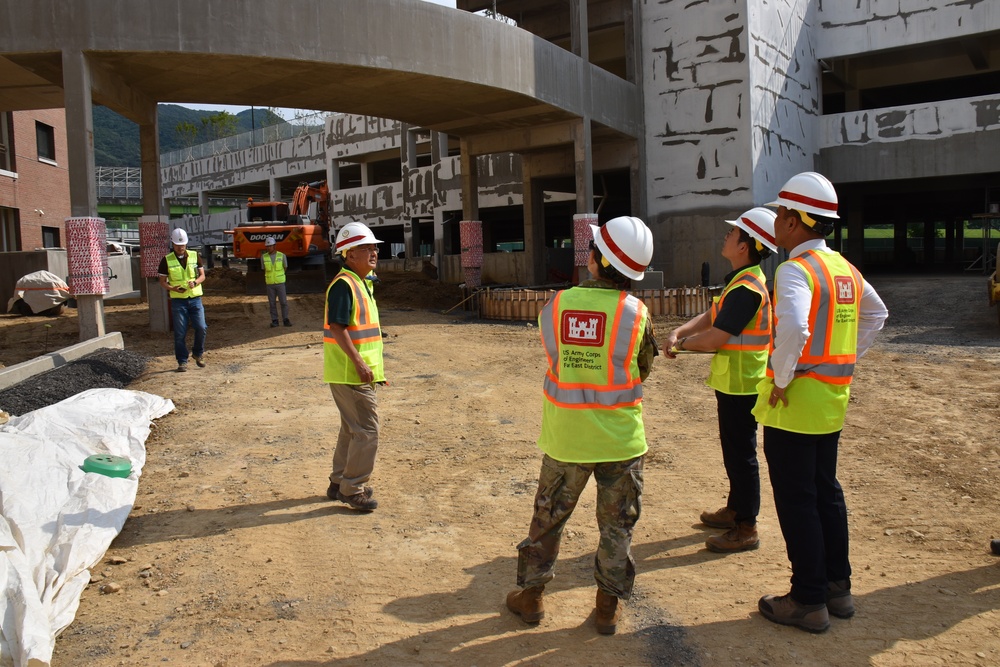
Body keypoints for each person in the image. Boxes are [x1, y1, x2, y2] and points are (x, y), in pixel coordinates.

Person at [506, 215, 657, 635]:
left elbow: (555, 359)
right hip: (622, 441)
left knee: (547, 520)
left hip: (566, 438)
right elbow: (641, 369)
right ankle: (607, 607)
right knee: (616, 527)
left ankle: (532, 598)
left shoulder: (555, 307)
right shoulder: (637, 313)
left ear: (594, 260)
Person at [752, 172, 888, 633]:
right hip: (832, 400)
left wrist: (785, 377)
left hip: (796, 403)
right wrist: (844, 358)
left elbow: (792, 327)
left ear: (793, 221)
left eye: (778, 216)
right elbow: (876, 314)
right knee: (825, 492)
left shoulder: (795, 269)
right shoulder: (845, 269)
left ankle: (807, 599)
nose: (774, 223)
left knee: (798, 500)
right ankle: (837, 588)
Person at [664, 207, 778, 553]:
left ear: (745, 245)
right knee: (734, 450)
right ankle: (734, 510)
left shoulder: (748, 288)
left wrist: (680, 346)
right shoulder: (741, 280)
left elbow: (716, 337)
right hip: (734, 381)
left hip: (743, 382)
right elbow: (712, 315)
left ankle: (746, 526)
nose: (726, 237)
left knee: (741, 454)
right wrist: (681, 330)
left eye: (733, 233)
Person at [323, 221, 386, 512]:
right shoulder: (344, 285)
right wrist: (360, 364)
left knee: (351, 429)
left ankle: (339, 482)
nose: (374, 252)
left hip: (351, 372)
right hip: (351, 373)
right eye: (367, 248)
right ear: (349, 255)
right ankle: (353, 488)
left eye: (374, 247)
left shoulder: (359, 283)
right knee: (367, 431)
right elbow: (338, 328)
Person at [158, 227, 207, 373]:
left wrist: (196, 282)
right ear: (172, 244)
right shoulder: (166, 260)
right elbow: (162, 281)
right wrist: (172, 288)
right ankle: (182, 361)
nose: (180, 248)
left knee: (202, 327)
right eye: (178, 245)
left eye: (183, 245)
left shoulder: (194, 255)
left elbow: (202, 275)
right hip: (178, 301)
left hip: (195, 299)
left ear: (186, 244)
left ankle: (198, 353)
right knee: (180, 333)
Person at [261, 236, 291, 327]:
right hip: (270, 283)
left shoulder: (282, 256)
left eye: (270, 246)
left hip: (280, 283)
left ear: (274, 246)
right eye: (267, 246)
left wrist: (278, 276)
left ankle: (285, 319)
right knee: (272, 303)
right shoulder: (263, 257)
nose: (268, 248)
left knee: (283, 302)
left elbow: (285, 267)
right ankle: (275, 321)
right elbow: (264, 269)